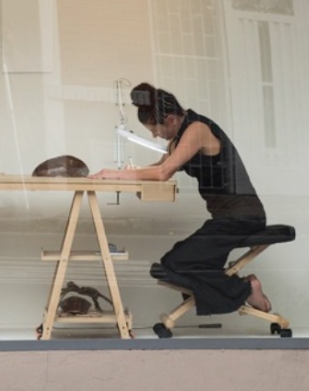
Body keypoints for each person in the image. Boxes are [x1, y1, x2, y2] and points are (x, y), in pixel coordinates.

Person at [90, 82, 272, 315]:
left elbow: (163, 172)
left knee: (176, 265)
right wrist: (129, 178)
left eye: (154, 129)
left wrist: (113, 174)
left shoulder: (197, 129)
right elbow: (158, 169)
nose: (155, 135)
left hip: (243, 217)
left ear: (170, 119)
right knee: (171, 265)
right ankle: (238, 288)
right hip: (225, 219)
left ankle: (247, 288)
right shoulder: (176, 141)